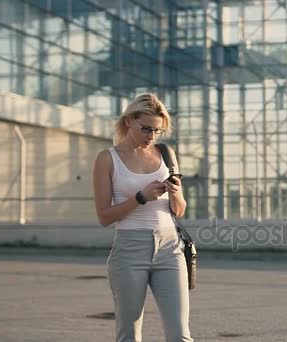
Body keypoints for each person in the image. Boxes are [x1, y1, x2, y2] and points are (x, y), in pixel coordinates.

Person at [92, 93, 193, 342]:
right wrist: (141, 197)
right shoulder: (108, 159)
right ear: (129, 121)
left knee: (180, 335)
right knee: (129, 335)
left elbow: (179, 210)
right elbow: (104, 217)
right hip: (129, 249)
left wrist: (177, 194)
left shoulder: (166, 154)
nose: (151, 136)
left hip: (170, 248)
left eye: (157, 131)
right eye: (146, 128)